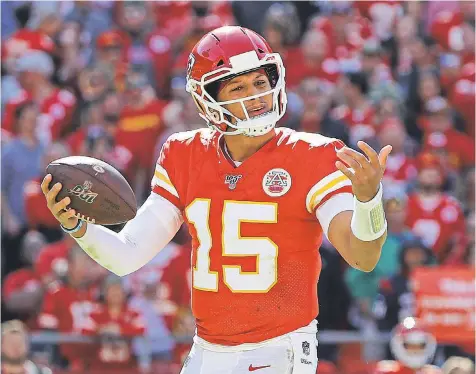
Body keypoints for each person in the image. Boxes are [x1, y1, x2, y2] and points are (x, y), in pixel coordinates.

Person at [41, 26, 391, 373]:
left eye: (259, 82)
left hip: (279, 349)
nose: (255, 96)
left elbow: (362, 256)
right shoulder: (184, 154)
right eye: (237, 87)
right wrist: (76, 224)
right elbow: (127, 254)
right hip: (207, 350)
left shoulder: (315, 155)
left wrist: (368, 200)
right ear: (207, 98)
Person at [373, 317, 441, 374]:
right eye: (410, 346)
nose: (415, 350)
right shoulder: (386, 371)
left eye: (420, 346)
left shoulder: (434, 372)